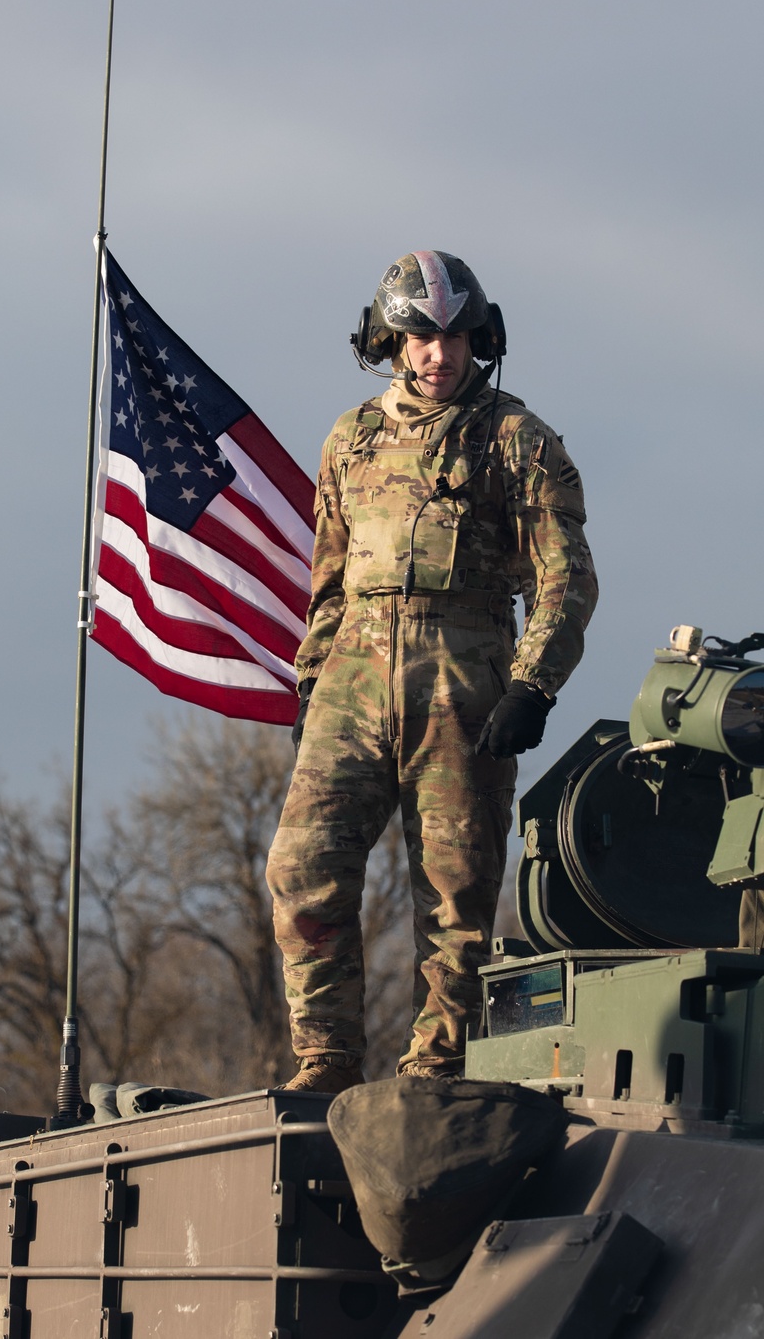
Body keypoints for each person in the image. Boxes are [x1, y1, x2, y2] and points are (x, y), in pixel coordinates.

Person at [266, 250, 598, 1093]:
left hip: (464, 674)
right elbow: (329, 579)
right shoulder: (352, 437)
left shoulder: (515, 437)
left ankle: (435, 1066)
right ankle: (327, 1057)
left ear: (479, 339)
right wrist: (314, 682)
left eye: (453, 337)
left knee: (454, 891)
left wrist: (534, 682)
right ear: (390, 340)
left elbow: (566, 576)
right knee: (302, 865)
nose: (437, 354)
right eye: (419, 337)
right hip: (354, 673)